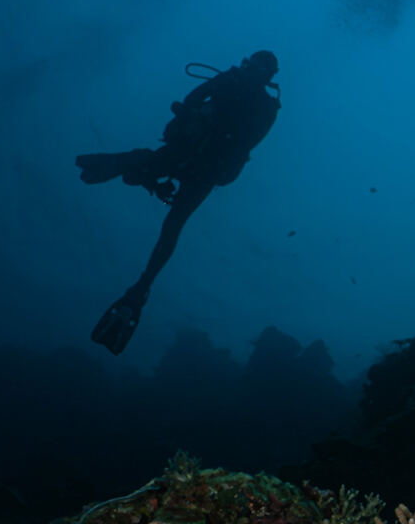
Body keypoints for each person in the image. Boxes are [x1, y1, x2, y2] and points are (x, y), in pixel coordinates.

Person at [76, 50, 281, 354]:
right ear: (249, 65)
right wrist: (193, 121)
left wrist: (204, 126)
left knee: (173, 224)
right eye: (253, 65)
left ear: (268, 76)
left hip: (208, 169)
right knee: (156, 186)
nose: (254, 72)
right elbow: (191, 101)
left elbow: (247, 141)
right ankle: (135, 167)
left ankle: (141, 287)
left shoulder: (266, 105)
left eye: (261, 69)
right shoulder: (230, 81)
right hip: (191, 155)